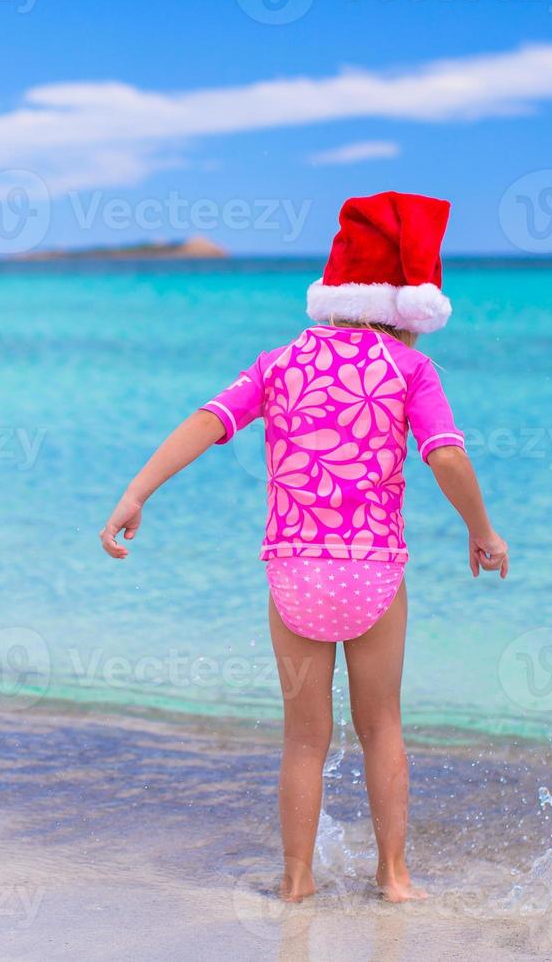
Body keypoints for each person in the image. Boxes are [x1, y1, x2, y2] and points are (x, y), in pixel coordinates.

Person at [99, 192, 509, 903]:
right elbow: (444, 455)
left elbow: (207, 421)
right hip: (374, 573)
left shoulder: (280, 361)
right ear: (408, 306)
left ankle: (295, 881)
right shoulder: (410, 371)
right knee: (382, 727)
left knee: (303, 740)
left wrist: (138, 492)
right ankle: (395, 877)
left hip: (293, 576)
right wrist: (482, 528)